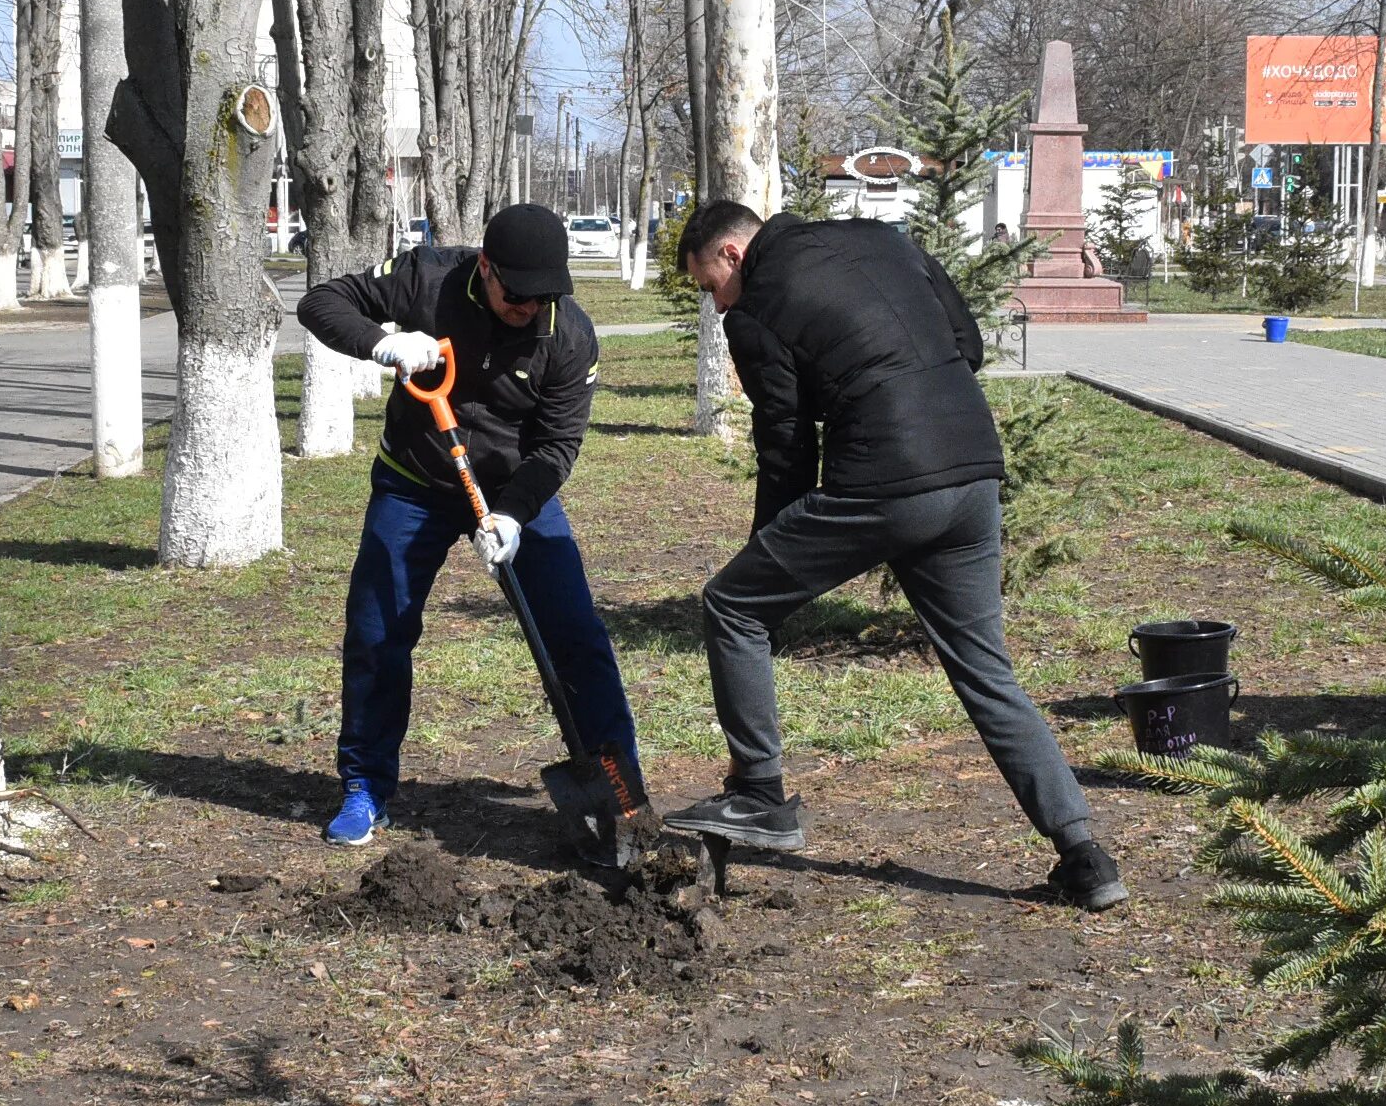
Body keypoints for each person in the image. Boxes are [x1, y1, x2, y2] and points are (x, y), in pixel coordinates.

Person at [665, 198, 1128, 911]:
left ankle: (758, 791)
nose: (717, 306)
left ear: (731, 256)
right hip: (973, 465)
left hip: (885, 483)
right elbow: (966, 343)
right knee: (987, 671)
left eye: (709, 287)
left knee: (732, 604)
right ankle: (1086, 855)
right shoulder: (883, 238)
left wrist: (769, 559)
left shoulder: (756, 312)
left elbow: (787, 448)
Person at [294, 205, 640, 846]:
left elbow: (557, 446)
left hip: (513, 494)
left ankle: (622, 794)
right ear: (487, 268)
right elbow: (322, 301)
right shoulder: (426, 279)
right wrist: (382, 341)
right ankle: (366, 786)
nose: (530, 308)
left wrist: (512, 514)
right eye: (518, 295)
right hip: (416, 484)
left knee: (577, 638)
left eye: (544, 297)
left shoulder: (569, 336)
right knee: (378, 633)